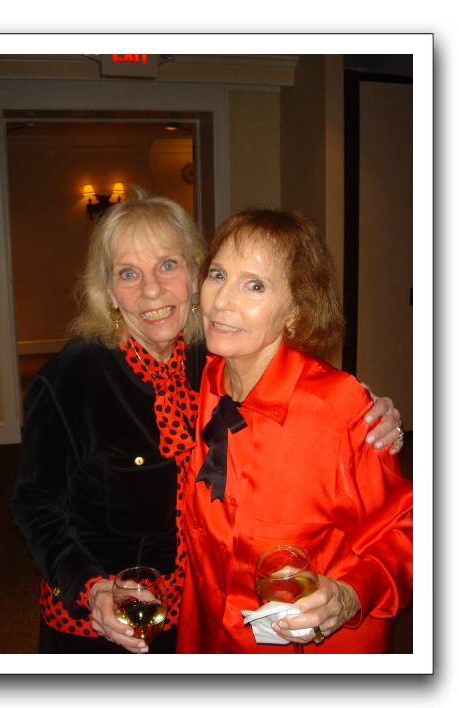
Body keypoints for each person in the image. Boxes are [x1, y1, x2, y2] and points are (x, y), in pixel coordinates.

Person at [9, 192, 405, 655]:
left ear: (193, 276)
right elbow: (35, 503)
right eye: (128, 273)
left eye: (168, 265)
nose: (152, 291)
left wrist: (362, 412)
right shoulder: (73, 378)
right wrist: (89, 588)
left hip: (199, 617)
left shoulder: (209, 358)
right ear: (109, 291)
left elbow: (299, 387)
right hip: (106, 613)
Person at [176, 208, 412, 654]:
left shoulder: (337, 411)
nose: (222, 300)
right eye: (218, 275)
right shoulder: (204, 382)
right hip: (214, 637)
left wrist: (349, 595)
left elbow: (408, 531)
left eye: (255, 285)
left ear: (297, 310)